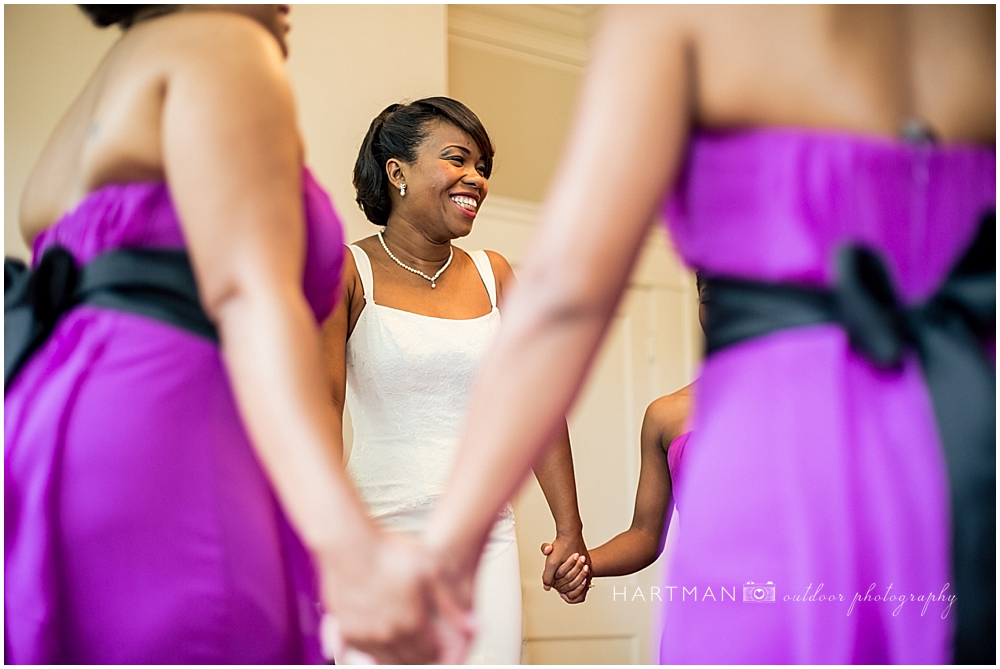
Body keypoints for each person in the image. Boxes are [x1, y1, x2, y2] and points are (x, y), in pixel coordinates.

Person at [418, 5, 994, 664]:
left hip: (771, 460)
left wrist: (445, 546)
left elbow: (565, 297)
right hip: (966, 444)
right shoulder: (977, 24)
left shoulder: (685, 13)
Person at [5, 6, 461, 664]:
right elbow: (248, 294)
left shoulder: (103, 85)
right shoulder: (224, 42)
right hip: (171, 425)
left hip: (51, 444)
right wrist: (347, 542)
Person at [320, 97, 589, 663]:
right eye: (458, 159)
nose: (477, 179)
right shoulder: (347, 271)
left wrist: (570, 529)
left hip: (483, 539)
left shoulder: (495, 275)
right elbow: (322, 405)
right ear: (397, 173)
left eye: (483, 166)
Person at [542, 275, 708, 602]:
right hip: (707, 605)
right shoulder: (666, 415)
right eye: (712, 300)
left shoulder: (824, 399)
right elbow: (645, 535)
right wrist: (579, 563)